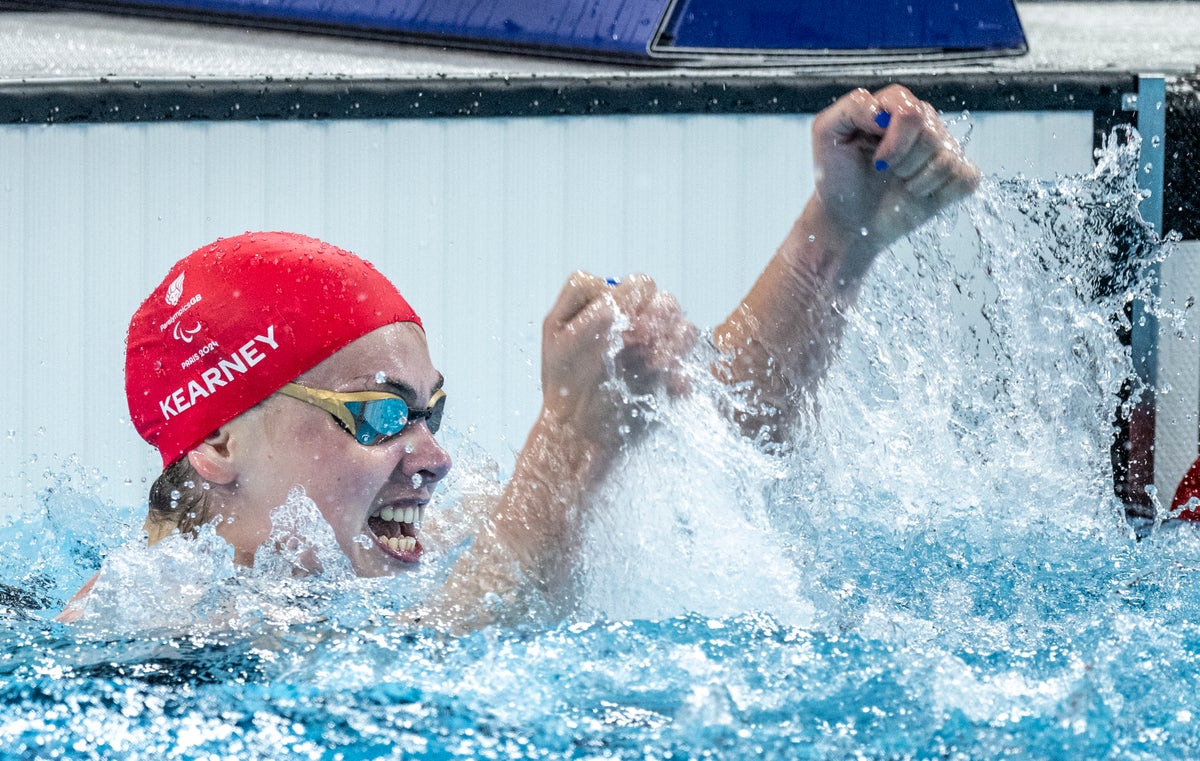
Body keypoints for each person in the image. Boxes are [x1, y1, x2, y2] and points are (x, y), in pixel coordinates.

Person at [58, 84, 980, 625]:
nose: (434, 455)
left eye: (431, 411)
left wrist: (836, 239)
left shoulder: (419, 543)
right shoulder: (142, 631)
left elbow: (723, 452)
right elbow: (423, 694)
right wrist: (572, 441)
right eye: (380, 414)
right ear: (218, 439)